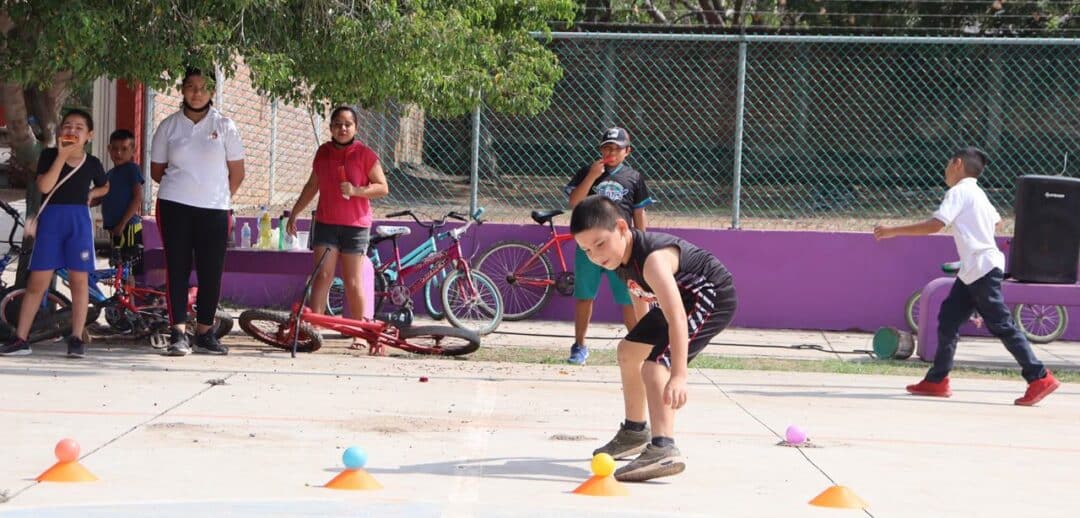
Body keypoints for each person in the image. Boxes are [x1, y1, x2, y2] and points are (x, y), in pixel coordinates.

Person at [874, 147, 1060, 405]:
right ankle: (937, 381)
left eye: (948, 164)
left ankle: (1039, 376)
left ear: (958, 164)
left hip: (982, 268)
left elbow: (936, 225)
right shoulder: (978, 194)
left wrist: (892, 231)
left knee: (1001, 324)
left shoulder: (959, 191)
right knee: (949, 318)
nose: (945, 170)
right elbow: (997, 222)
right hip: (973, 269)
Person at [570, 195, 737, 482]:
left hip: (710, 297)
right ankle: (635, 431)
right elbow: (640, 296)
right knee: (627, 351)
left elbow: (677, 318)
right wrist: (638, 339)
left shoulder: (653, 259)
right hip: (682, 302)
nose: (595, 255)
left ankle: (664, 447)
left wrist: (679, 374)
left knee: (655, 366)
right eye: (586, 250)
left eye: (600, 243)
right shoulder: (620, 258)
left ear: (622, 228)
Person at [150, 67, 246, 357]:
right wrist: (187, 186)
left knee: (211, 272)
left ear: (212, 92)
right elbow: (157, 171)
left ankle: (205, 333)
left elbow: (237, 173)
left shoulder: (226, 126)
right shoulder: (168, 126)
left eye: (203, 88)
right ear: (181, 90)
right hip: (174, 206)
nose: (196, 92)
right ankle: (178, 333)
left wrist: (214, 194)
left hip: (215, 210)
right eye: (191, 86)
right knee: (177, 269)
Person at [0, 109, 109, 357]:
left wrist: (93, 194)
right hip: (51, 221)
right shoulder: (49, 156)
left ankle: (76, 338)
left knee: (79, 282)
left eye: (79, 127)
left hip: (78, 222)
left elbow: (105, 185)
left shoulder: (92, 163)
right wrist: (61, 156)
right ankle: (21, 339)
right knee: (37, 282)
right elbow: (44, 186)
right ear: (61, 131)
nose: (72, 130)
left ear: (89, 135)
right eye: (68, 125)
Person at [286, 105, 388, 349]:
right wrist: (295, 213)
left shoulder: (365, 154)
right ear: (330, 127)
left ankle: (358, 333)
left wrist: (356, 191)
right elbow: (312, 185)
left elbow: (382, 187)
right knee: (323, 275)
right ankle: (315, 329)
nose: (342, 128)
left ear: (356, 127)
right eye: (337, 124)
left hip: (355, 226)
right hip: (326, 223)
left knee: (353, 280)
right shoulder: (323, 152)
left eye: (347, 124)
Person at [564, 127, 653, 365]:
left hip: (621, 250)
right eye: (606, 148)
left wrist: (642, 244)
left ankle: (639, 345)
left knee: (629, 299)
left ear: (627, 151)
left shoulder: (633, 177)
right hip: (589, 248)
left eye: (616, 148)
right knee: (584, 296)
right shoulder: (589, 172)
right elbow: (574, 202)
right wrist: (592, 176)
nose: (610, 153)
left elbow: (639, 213)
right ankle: (579, 345)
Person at [97, 129, 144, 279]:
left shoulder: (132, 169)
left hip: (128, 228)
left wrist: (123, 223)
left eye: (124, 149)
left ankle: (131, 302)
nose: (118, 153)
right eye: (115, 149)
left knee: (129, 272)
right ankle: (123, 301)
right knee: (119, 270)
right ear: (109, 149)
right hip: (116, 230)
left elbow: (137, 198)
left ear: (133, 150)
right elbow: (98, 197)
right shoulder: (109, 174)